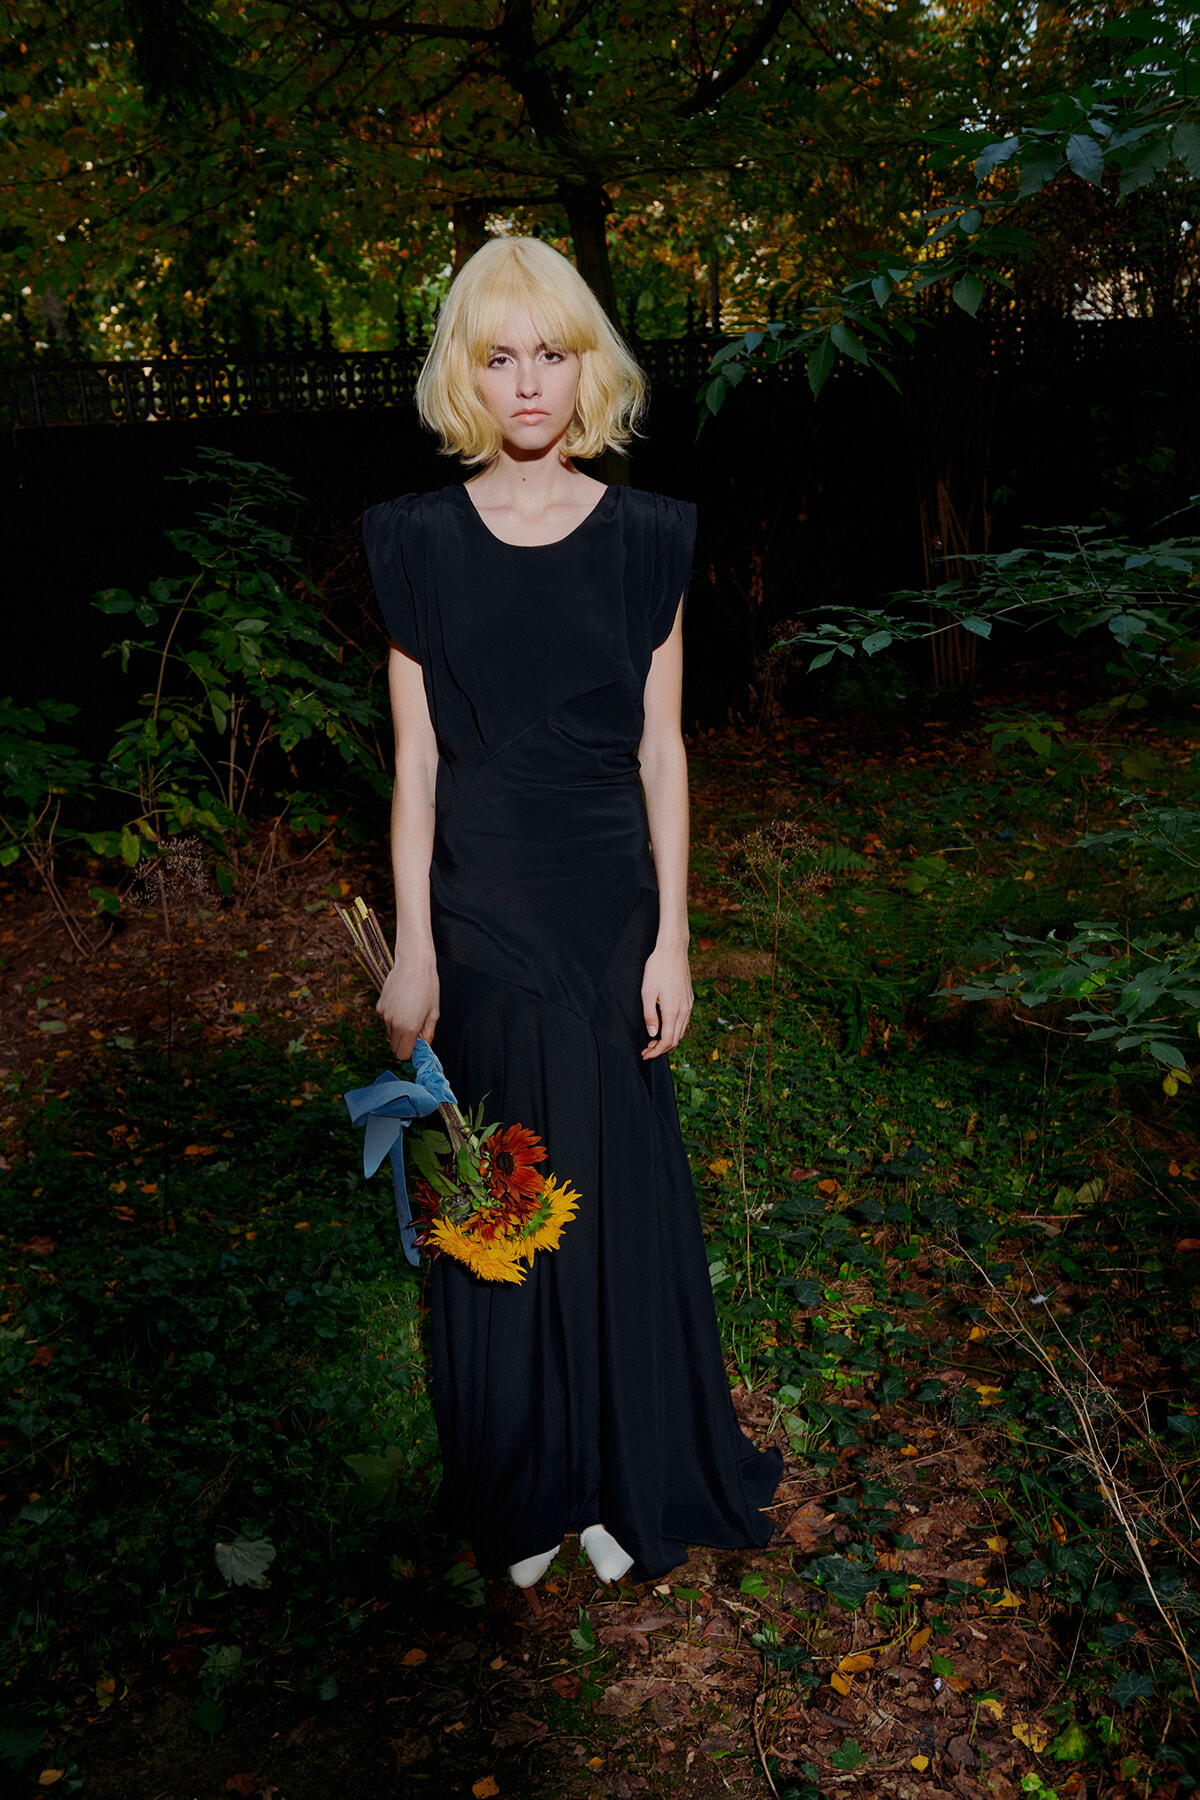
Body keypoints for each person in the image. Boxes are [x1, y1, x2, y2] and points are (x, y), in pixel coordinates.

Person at [363, 235, 781, 1591]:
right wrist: (415, 948)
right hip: (478, 904)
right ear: (464, 375)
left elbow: (663, 750)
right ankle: (524, 1480)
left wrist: (673, 937)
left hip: (608, 904)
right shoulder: (413, 540)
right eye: (499, 355)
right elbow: (415, 760)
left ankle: (622, 1470)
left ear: (586, 367)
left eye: (552, 353)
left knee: (609, 1190)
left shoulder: (650, 535)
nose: (528, 382)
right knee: (500, 1185)